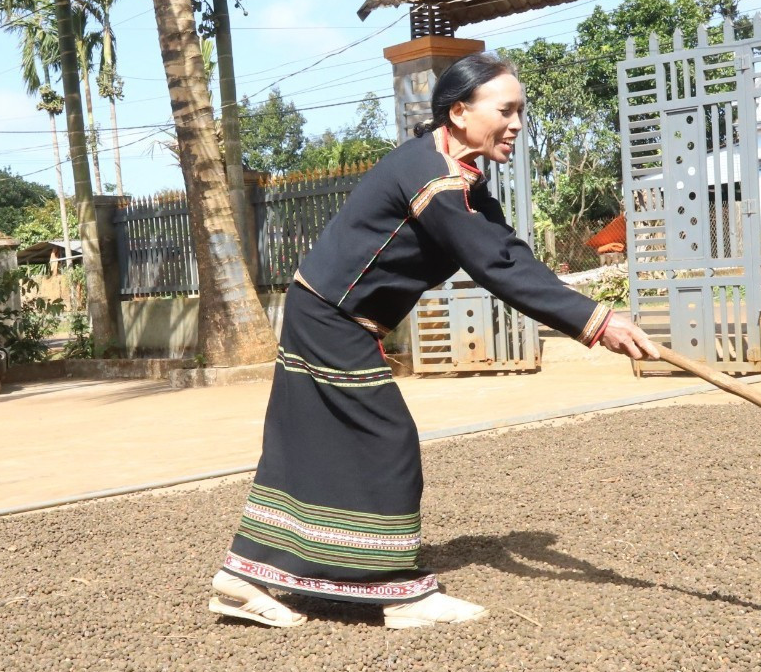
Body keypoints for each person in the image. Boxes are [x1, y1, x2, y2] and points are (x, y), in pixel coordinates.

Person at [208, 52, 659, 629]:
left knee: (309, 448)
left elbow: (508, 252)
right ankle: (397, 593)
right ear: (459, 112)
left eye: (521, 111)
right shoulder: (433, 177)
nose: (517, 124)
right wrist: (597, 322)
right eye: (505, 110)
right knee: (386, 440)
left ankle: (241, 580)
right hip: (331, 318)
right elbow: (497, 266)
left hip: (328, 313)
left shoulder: (459, 173)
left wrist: (593, 316)